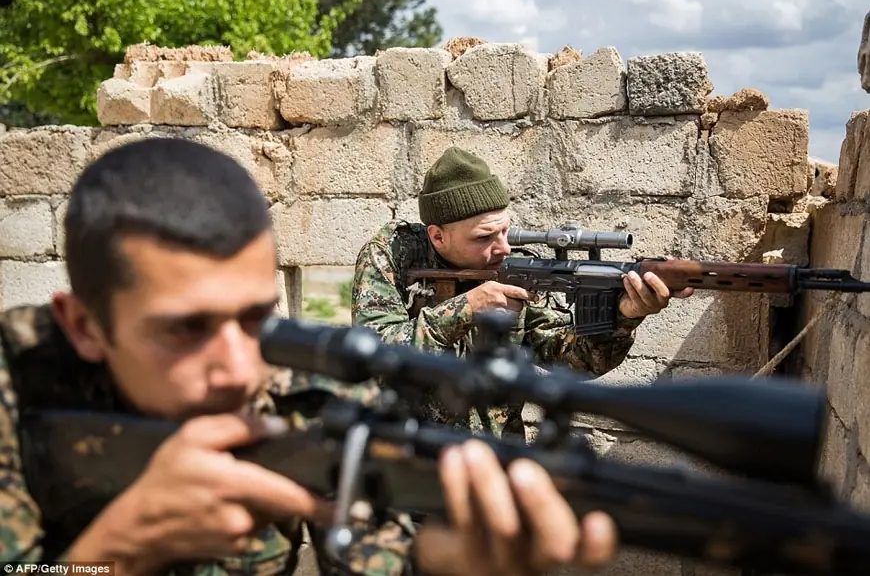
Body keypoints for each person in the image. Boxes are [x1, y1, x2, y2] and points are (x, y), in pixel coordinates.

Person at [0, 137, 620, 576]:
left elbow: (373, 547)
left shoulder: (297, 387)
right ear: (83, 327)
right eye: (185, 330)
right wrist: (114, 554)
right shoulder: (16, 385)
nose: (241, 368)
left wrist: (455, 560)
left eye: (255, 318)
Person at [351, 146, 693, 437]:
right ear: (438, 236)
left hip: (499, 456)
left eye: (506, 231)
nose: (503, 247)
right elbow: (374, 356)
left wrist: (624, 316)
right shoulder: (392, 254)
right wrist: (467, 306)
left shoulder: (513, 266)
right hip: (410, 454)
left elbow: (576, 361)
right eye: (484, 238)